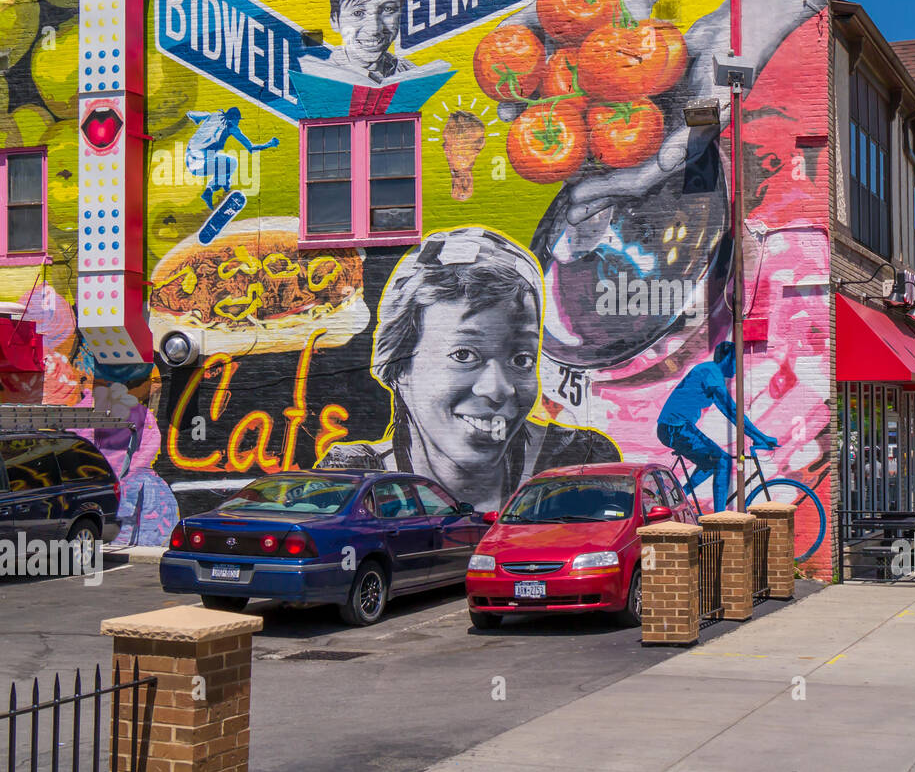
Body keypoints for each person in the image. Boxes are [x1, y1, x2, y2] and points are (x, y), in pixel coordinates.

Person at [318, 227, 619, 512]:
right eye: (463, 354)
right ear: (399, 368)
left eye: (522, 359)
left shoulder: (577, 460)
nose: (498, 388)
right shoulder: (353, 481)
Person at [656, 341, 778, 512]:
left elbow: (730, 413)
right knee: (723, 461)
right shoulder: (710, 373)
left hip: (676, 427)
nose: (738, 366)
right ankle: (719, 518)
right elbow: (733, 411)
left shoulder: (710, 373)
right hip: (675, 428)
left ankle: (679, 496)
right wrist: (760, 437)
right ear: (728, 358)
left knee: (712, 463)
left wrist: (758, 437)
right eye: (736, 360)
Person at [298, 0, 412, 86]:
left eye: (388, 9)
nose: (374, 29)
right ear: (335, 20)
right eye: (358, 13)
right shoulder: (319, 80)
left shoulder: (410, 72)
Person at [184, 108, 278, 209]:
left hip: (189, 160)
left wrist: (195, 120)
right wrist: (269, 144)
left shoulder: (212, 115)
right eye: (238, 120)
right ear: (233, 119)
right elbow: (251, 148)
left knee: (226, 163)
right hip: (201, 164)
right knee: (231, 163)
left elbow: (191, 114)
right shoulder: (232, 128)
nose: (238, 123)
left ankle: (210, 190)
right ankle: (223, 187)